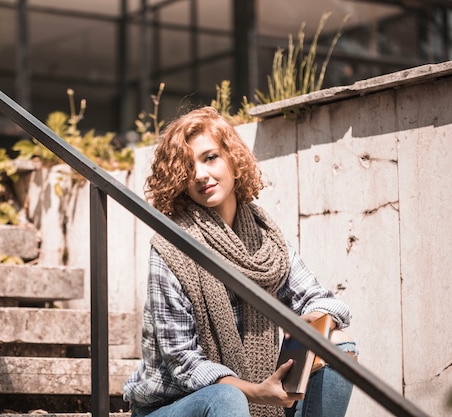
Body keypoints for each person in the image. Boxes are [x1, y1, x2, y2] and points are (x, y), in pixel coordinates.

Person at [123, 106, 359, 417]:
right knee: (226, 398)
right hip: (174, 406)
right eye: (187, 166)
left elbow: (325, 302)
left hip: (250, 397)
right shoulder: (172, 248)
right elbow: (183, 362)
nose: (200, 174)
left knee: (337, 344)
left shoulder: (265, 240)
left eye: (210, 157)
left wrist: (311, 321)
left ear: (233, 160)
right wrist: (256, 392)